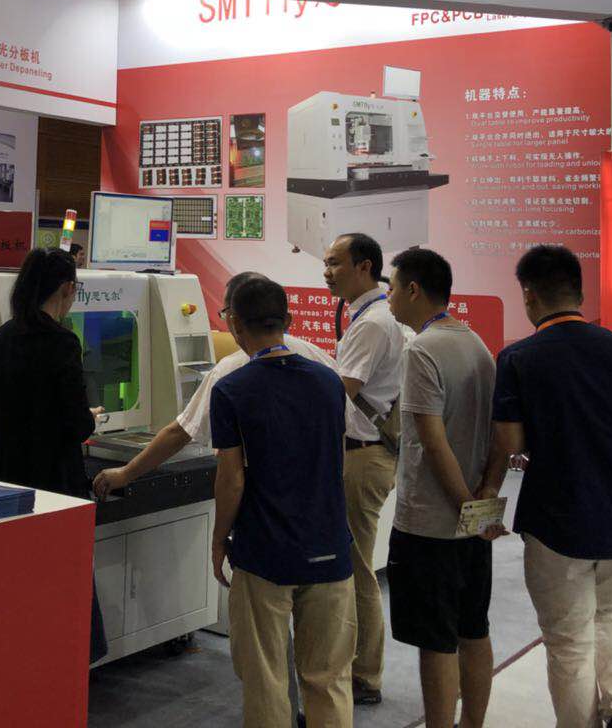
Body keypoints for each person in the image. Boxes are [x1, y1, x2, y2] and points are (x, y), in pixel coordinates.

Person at [487, 245, 612, 728]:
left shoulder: (518, 358)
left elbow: (511, 442)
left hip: (557, 518)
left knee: (568, 638)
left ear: (529, 295)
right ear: (579, 293)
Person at [210, 276, 355, 727]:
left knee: (266, 678)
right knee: (328, 679)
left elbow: (232, 479)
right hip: (330, 547)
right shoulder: (329, 383)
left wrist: (218, 540)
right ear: (288, 320)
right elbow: (337, 461)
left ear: (235, 323)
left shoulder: (231, 390)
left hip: (265, 552)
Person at [0, 247, 107, 661]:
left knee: (12, 582)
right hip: (54, 486)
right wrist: (89, 417)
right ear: (66, 289)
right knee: (61, 584)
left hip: (3, 483)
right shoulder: (63, 343)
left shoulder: (1, 337)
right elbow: (76, 425)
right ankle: (64, 668)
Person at [91, 270, 336, 501]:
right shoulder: (322, 364)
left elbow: (182, 434)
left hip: (266, 503)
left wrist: (126, 473)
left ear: (233, 319)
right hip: (320, 502)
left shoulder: (230, 375)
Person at [384, 248, 497, 728]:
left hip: (431, 522)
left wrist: (464, 505)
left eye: (392, 288)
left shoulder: (422, 350)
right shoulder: (477, 345)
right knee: (473, 629)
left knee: (436, 642)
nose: (389, 298)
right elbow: (498, 435)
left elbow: (432, 441)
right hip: (472, 524)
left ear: (413, 290)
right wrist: (481, 505)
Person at [321, 231, 403, 706]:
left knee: (355, 570)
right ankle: (359, 669)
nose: (327, 272)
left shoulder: (372, 323)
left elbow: (341, 392)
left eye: (335, 263)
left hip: (362, 455)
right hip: (362, 453)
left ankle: (364, 675)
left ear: (365, 267)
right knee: (354, 565)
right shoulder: (370, 316)